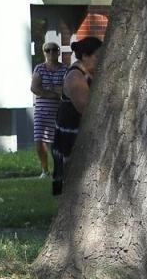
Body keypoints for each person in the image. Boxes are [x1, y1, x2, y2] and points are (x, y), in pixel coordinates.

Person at [52, 36, 102, 198]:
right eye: (97, 57)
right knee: (75, 178)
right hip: (71, 132)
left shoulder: (87, 73)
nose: (101, 62)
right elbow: (85, 108)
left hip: (77, 130)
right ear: (85, 56)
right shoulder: (76, 76)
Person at [30, 39, 68, 179]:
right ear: (44, 53)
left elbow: (66, 88)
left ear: (58, 52)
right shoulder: (39, 68)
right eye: (48, 50)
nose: (51, 52)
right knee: (39, 141)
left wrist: (48, 91)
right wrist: (54, 93)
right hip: (41, 111)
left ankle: (59, 170)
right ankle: (44, 170)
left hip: (59, 112)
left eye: (54, 49)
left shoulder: (65, 69)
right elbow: (35, 88)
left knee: (56, 143)